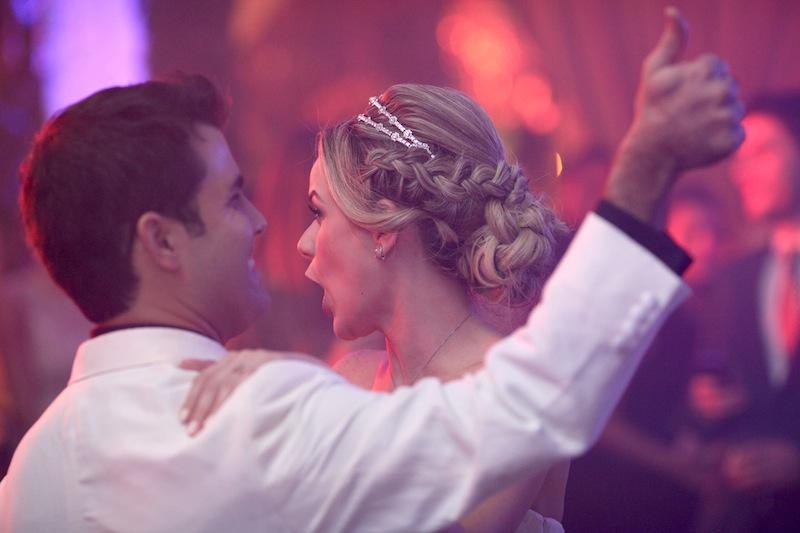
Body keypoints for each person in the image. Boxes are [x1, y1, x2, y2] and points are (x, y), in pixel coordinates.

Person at [1, 9, 743, 532]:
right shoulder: (296, 396)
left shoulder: (33, 468)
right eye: (232, 197)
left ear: (385, 229)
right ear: (160, 241)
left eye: (316, 213)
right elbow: (536, 401)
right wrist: (644, 168)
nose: (280, 234)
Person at [684, 92, 800, 532]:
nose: (742, 172)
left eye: (763, 152)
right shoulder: (736, 277)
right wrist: (705, 407)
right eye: (739, 158)